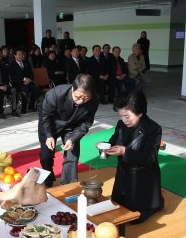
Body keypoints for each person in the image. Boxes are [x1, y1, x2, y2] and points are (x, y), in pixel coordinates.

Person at [106, 90, 164, 223]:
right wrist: (105, 147)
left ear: (140, 112)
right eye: (121, 116)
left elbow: (149, 158)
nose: (124, 120)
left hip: (142, 178)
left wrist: (124, 152)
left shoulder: (153, 128)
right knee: (115, 208)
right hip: (123, 175)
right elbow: (113, 140)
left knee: (133, 219)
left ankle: (155, 204)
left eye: (127, 116)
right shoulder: (121, 125)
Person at [38, 74, 99, 187]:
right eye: (78, 97)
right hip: (51, 124)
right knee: (46, 155)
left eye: (86, 98)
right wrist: (48, 135)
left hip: (72, 126)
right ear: (72, 88)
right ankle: (48, 175)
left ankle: (68, 184)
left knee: (72, 155)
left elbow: (86, 122)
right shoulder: (55, 94)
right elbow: (45, 115)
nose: (81, 101)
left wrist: (72, 139)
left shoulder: (94, 100)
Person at [8, 49, 41, 114]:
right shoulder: (12, 65)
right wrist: (24, 79)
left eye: (22, 54)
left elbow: (31, 74)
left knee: (37, 89)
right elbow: (13, 77)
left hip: (28, 82)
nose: (21, 56)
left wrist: (29, 79)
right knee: (25, 90)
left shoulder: (26, 62)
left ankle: (31, 105)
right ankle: (23, 109)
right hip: (18, 84)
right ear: (15, 56)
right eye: (19, 55)